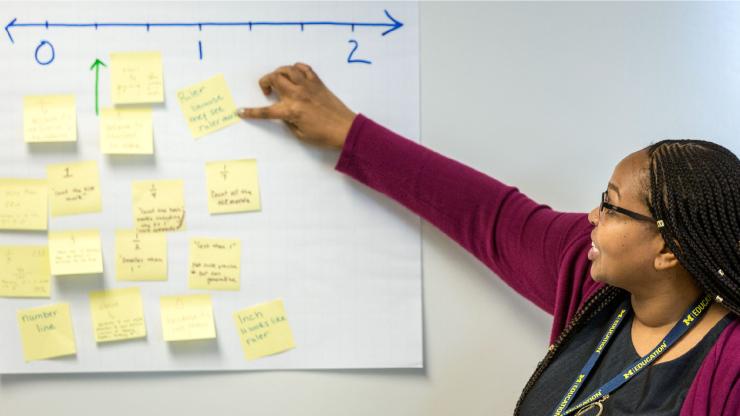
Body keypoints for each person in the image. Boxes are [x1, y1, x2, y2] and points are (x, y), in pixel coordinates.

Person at [237, 63, 740, 415]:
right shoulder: (592, 278)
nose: (591, 216)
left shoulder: (729, 366)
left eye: (610, 205)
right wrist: (347, 131)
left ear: (669, 249)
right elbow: (487, 214)